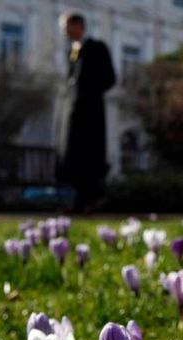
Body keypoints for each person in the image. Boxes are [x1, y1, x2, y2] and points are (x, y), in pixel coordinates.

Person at [57, 12, 116, 212]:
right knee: (73, 155)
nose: (65, 32)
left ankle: (92, 199)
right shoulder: (72, 52)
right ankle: (79, 200)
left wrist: (88, 92)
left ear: (78, 25)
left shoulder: (97, 49)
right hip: (74, 111)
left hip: (90, 113)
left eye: (67, 27)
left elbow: (109, 78)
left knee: (90, 155)